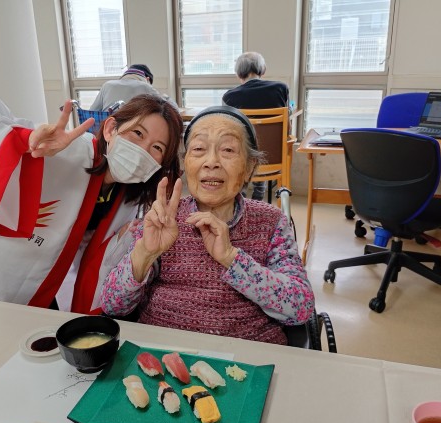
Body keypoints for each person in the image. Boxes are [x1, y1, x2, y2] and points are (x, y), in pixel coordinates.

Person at [0, 94, 183, 313]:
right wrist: (24, 143)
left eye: (157, 147)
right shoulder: (64, 149)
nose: (142, 150)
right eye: (137, 134)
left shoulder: (129, 199)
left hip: (30, 283)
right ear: (111, 128)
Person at [100, 106, 314, 345]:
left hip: (249, 357)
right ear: (186, 163)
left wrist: (232, 258)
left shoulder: (270, 221)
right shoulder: (163, 219)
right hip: (163, 352)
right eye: (199, 149)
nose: (211, 162)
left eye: (228, 150)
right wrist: (144, 254)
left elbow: (301, 308)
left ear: (249, 167)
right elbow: (113, 306)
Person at [222, 51, 289, 201]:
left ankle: (241, 195)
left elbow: (228, 131)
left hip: (243, 159)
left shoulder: (229, 96)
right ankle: (259, 194)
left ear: (238, 74)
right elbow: (287, 129)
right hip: (272, 158)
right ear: (263, 70)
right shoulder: (280, 88)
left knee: (242, 143)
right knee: (262, 144)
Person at [90, 64, 177, 111]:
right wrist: (165, 96)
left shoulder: (107, 85)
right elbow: (174, 110)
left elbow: (92, 112)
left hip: (107, 134)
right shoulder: (146, 87)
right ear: (147, 79)